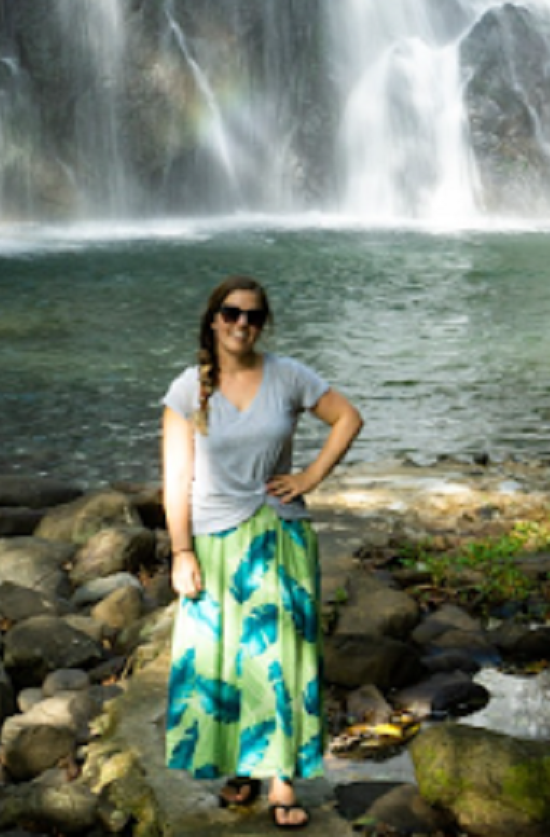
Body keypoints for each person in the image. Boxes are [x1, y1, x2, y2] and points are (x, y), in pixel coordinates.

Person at [162, 274, 363, 830]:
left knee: (280, 661)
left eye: (252, 316)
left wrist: (311, 476)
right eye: (231, 313)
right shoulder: (187, 390)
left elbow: (348, 417)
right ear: (213, 320)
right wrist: (181, 553)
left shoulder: (288, 376)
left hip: (279, 535)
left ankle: (281, 779)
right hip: (212, 540)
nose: (241, 324)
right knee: (222, 658)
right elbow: (176, 478)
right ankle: (240, 766)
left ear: (262, 324)